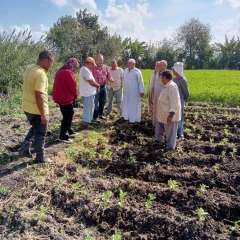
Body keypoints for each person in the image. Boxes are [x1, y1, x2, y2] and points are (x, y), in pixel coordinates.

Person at [19, 50, 54, 163]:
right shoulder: (41, 74)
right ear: (45, 60)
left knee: (35, 128)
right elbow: (38, 94)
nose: (51, 64)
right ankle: (40, 158)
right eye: (51, 61)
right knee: (40, 133)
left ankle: (24, 148)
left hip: (27, 107)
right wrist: (43, 114)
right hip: (36, 109)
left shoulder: (30, 68)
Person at [52, 57, 79, 143]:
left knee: (68, 114)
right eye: (75, 66)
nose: (75, 68)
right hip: (65, 98)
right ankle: (62, 136)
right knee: (67, 116)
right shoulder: (68, 72)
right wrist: (76, 95)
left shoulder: (60, 71)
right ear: (72, 65)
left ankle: (69, 130)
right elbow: (72, 87)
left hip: (60, 97)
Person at [156, 70, 181, 150]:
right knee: (168, 132)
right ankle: (167, 145)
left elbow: (174, 102)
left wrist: (171, 115)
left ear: (164, 77)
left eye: (161, 78)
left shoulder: (172, 86)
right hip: (165, 115)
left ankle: (170, 148)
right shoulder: (167, 85)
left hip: (170, 116)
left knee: (171, 134)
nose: (161, 79)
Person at [122, 59, 145, 123]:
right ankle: (126, 117)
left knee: (134, 106)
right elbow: (123, 79)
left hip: (134, 93)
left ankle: (134, 119)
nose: (129, 64)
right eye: (128, 63)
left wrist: (141, 91)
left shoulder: (137, 72)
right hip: (126, 92)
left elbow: (141, 82)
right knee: (126, 104)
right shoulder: (125, 71)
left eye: (131, 63)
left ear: (134, 64)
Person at [79, 57, 100, 127]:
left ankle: (88, 121)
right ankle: (85, 122)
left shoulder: (87, 70)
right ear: (89, 63)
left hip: (89, 93)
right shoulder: (84, 69)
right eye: (92, 64)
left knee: (90, 107)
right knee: (87, 108)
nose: (93, 66)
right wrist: (98, 85)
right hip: (87, 93)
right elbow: (91, 82)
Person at [92, 54, 112, 122]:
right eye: (99, 60)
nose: (100, 61)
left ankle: (100, 115)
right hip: (96, 87)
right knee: (96, 103)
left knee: (103, 101)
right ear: (96, 60)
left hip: (103, 87)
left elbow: (109, 75)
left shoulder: (105, 67)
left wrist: (111, 79)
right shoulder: (93, 68)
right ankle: (94, 117)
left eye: (101, 60)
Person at [173, 62, 190, 139]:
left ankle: (180, 134)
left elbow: (186, 93)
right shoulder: (174, 79)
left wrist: (182, 100)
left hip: (180, 102)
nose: (172, 70)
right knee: (174, 117)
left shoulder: (183, 80)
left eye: (174, 69)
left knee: (180, 118)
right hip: (173, 102)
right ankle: (175, 133)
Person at [148, 60, 167, 125]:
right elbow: (151, 84)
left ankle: (159, 125)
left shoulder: (166, 74)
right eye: (157, 65)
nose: (158, 67)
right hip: (154, 95)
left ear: (164, 66)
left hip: (162, 96)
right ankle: (154, 124)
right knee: (154, 109)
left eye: (159, 65)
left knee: (161, 111)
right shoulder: (154, 73)